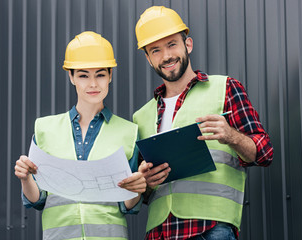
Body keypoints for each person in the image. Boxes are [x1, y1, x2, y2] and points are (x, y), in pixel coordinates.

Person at [133, 6, 274, 240]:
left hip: (211, 230)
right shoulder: (142, 116)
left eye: (172, 44)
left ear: (187, 45)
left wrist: (231, 135)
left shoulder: (226, 88)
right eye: (155, 50)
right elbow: (145, 194)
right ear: (148, 59)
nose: (166, 56)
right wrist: (145, 182)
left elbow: (265, 153)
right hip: (160, 233)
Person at [14, 31, 148, 240]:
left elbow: (127, 205)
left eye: (100, 74)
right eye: (83, 75)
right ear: (71, 76)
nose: (93, 84)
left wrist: (138, 189)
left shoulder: (128, 132)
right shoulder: (45, 129)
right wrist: (25, 178)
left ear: (110, 76)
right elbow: (37, 200)